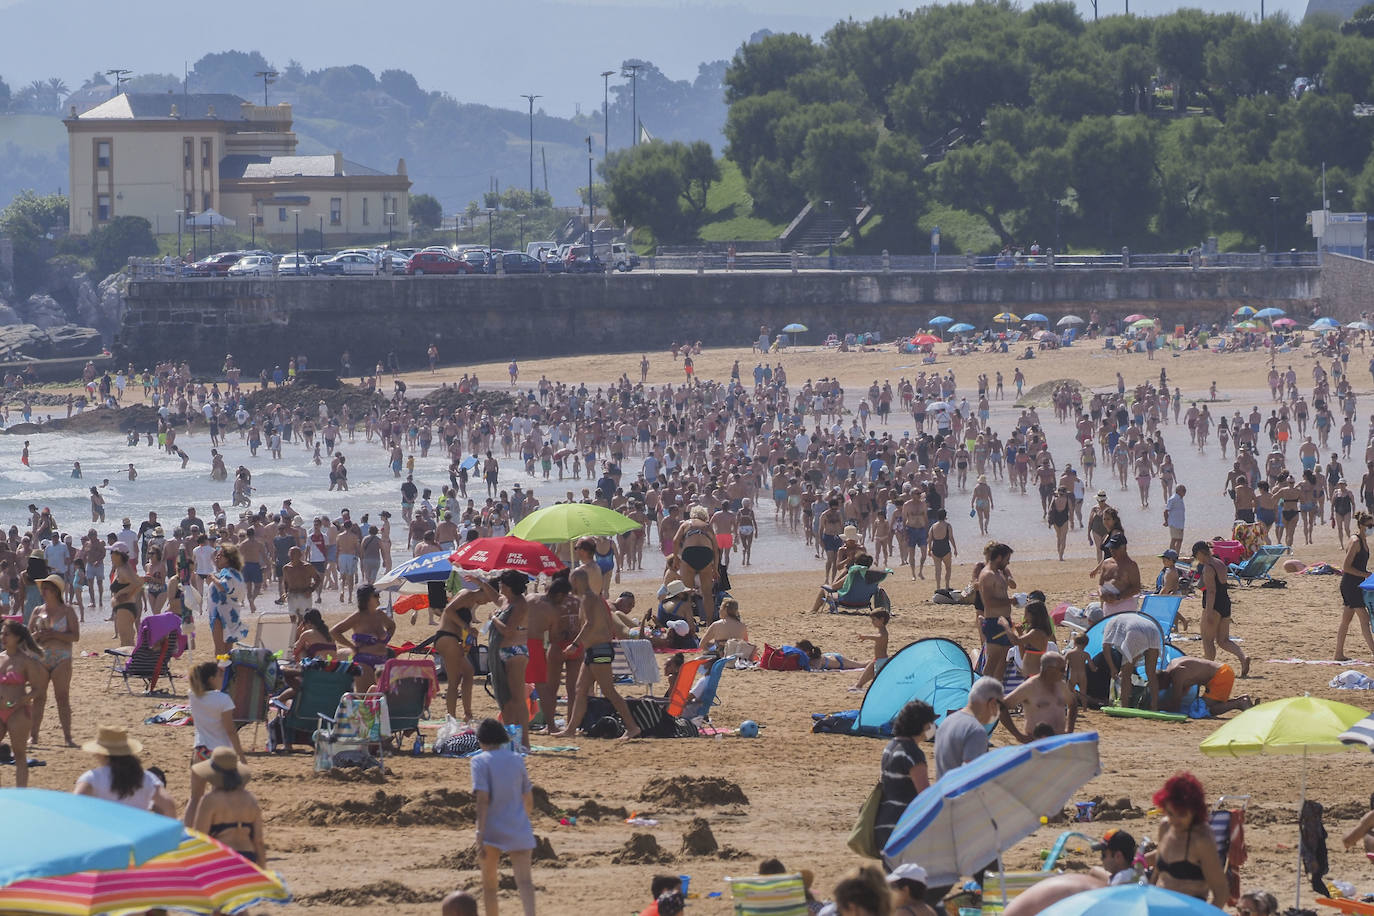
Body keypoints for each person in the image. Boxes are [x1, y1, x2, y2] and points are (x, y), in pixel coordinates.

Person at [553, 567, 641, 739]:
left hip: (599, 651)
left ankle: (632, 727)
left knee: (609, 691)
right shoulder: (598, 599)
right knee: (580, 689)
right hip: (595, 650)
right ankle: (571, 729)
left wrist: (574, 644)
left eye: (572, 582)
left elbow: (590, 624)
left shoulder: (587, 599)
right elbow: (608, 625)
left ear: (577, 581)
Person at [472, 718, 537, 916]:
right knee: (525, 882)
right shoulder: (517, 759)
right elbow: (528, 798)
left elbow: (483, 800)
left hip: (492, 828)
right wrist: (522, 819)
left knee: (490, 886)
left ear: (481, 740)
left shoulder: (479, 761)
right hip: (518, 826)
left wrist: (479, 833)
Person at [1149, 772, 1229, 904]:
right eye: (1170, 813)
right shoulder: (1165, 826)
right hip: (1159, 904)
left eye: (1181, 814)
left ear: (1194, 810)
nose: (1175, 820)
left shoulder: (1202, 839)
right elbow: (1157, 873)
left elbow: (1221, 892)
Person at [185, 660, 246, 824]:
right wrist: (240, 754)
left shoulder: (194, 696)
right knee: (218, 797)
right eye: (219, 674)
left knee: (195, 798)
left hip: (200, 750)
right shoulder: (223, 699)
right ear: (211, 678)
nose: (222, 677)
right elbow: (230, 730)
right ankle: (214, 830)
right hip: (219, 753)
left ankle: (187, 831)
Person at [873, 700, 935, 851]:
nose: (932, 727)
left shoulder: (891, 746)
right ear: (921, 725)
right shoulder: (912, 753)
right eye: (930, 723)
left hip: (883, 823)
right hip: (903, 826)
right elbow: (924, 794)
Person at [74, 725, 176, 815]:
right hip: (137, 834)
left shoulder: (92, 778)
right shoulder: (147, 778)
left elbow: (73, 805)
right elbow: (169, 805)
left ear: (100, 753)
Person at [190, 747, 266, 865]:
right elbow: (258, 841)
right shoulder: (249, 799)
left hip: (221, 857)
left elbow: (200, 838)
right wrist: (263, 869)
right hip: (247, 858)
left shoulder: (210, 800)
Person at [436, 578, 497, 723]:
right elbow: (448, 610)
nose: (488, 602)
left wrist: (470, 633)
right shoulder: (467, 594)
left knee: (469, 672)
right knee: (454, 680)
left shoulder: (471, 603)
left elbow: (461, 624)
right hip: (446, 637)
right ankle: (451, 717)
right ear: (485, 591)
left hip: (453, 639)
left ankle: (467, 714)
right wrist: (466, 627)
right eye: (489, 598)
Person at [27, 572, 78, 747]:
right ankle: (33, 736)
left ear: (56, 591)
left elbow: (75, 636)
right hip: (40, 658)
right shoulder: (37, 610)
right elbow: (28, 638)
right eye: (43, 588)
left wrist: (55, 634)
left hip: (62, 658)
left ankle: (68, 737)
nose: (43, 591)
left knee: (62, 698)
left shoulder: (67, 611)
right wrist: (38, 635)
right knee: (39, 698)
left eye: (47, 588)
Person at [1192, 541, 1249, 676]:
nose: (1196, 559)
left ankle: (1206, 669)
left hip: (1214, 604)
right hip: (1225, 602)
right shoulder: (1219, 562)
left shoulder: (1208, 567)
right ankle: (1242, 657)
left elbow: (1211, 591)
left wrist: (1209, 612)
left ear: (1200, 553)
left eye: (1196, 555)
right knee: (1223, 640)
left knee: (1207, 640)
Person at [490, 570, 532, 749]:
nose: (499, 588)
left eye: (502, 585)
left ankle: (525, 741)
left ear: (508, 586)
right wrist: (479, 582)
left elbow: (508, 630)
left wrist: (493, 618)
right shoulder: (507, 601)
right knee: (505, 698)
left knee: (517, 698)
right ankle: (511, 740)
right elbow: (495, 597)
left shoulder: (520, 604)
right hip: (503, 651)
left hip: (515, 651)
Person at [330, 584, 396, 691]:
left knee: (381, 698)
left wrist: (386, 639)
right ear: (367, 599)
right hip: (364, 662)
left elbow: (392, 626)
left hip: (382, 661)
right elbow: (334, 631)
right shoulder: (358, 616)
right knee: (365, 698)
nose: (379, 597)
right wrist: (352, 646)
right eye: (376, 595)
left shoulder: (380, 615)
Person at [0, 622, 41, 786]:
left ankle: (21, 794)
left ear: (17, 638)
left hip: (18, 711)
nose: (3, 637)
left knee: (19, 755)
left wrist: (21, 701)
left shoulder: (26, 661)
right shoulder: (0, 657)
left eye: (6, 634)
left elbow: (38, 689)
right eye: (2, 633)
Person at [934, 676, 1002, 776]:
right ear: (992, 703)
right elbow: (972, 775)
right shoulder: (976, 731)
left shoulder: (947, 722)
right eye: (1000, 705)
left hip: (944, 789)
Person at [1000, 651, 1074, 737]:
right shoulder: (1030, 687)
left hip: (1059, 742)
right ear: (1049, 669)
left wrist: (1069, 729)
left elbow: (1073, 704)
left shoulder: (1061, 685)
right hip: (1037, 742)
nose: (1064, 673)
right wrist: (1019, 736)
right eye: (1061, 669)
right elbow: (1002, 707)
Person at [1101, 613, 1162, 711]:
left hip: (1134, 631)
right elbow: (1140, 651)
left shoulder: (1110, 626)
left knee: (1126, 674)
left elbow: (1105, 647)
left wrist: (1112, 668)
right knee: (1151, 673)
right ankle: (1154, 705)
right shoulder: (1121, 621)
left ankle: (1124, 705)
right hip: (1153, 629)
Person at [1337, 511, 1374, 661]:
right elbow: (1346, 567)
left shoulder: (1364, 541)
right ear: (1361, 525)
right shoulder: (1355, 541)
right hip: (1350, 585)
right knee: (1364, 619)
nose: (1372, 528)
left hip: (1357, 585)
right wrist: (1365, 574)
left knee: (1346, 621)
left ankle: (1338, 654)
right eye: (1370, 525)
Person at [977, 543, 1016, 681]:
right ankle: (981, 692)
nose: (1008, 562)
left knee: (1003, 662)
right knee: (992, 661)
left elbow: (1003, 593)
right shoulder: (987, 575)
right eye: (1007, 559)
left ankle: (997, 695)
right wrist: (1011, 601)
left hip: (1005, 620)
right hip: (994, 622)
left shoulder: (999, 573)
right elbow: (989, 602)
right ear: (999, 558)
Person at [208, 543, 248, 657]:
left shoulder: (226, 572)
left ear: (229, 559)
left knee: (220, 649)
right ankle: (227, 673)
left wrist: (212, 578)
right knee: (228, 650)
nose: (217, 557)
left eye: (220, 555)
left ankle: (221, 674)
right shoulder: (237, 574)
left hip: (220, 614)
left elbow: (223, 587)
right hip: (232, 614)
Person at [1097, 532, 1141, 616]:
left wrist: (1118, 597)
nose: (1112, 550)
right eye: (1111, 548)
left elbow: (1136, 588)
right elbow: (1100, 584)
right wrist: (1102, 594)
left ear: (1123, 547)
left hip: (1124, 605)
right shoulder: (1106, 563)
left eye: (1115, 548)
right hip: (1108, 606)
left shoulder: (1131, 565)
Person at [851, 610, 890, 692]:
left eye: (874, 620)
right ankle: (858, 685)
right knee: (868, 671)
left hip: (882, 661)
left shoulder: (884, 632)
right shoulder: (880, 630)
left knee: (879, 681)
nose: (872, 622)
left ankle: (861, 686)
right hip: (877, 659)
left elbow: (880, 637)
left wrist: (867, 637)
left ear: (882, 620)